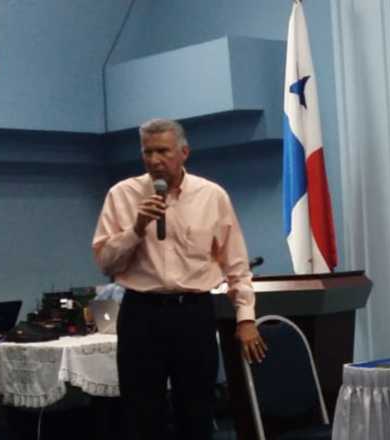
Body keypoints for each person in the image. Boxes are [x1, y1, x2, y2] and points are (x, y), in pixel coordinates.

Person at [92, 118, 266, 440]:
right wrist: (136, 228)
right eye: (148, 152)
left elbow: (236, 265)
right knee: (142, 413)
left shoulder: (212, 196)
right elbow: (105, 262)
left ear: (184, 152)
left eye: (163, 151)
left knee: (196, 409)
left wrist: (245, 318)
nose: (155, 160)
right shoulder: (122, 195)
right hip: (140, 313)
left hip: (193, 313)